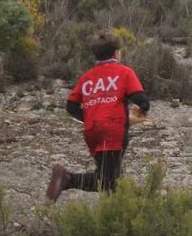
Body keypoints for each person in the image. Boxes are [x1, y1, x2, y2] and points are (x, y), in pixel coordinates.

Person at [46, 28, 149, 200]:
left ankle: (117, 210)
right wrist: (142, 109)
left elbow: (71, 106)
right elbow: (141, 99)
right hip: (113, 131)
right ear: (117, 53)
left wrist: (91, 116)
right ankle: (68, 179)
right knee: (108, 182)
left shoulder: (87, 77)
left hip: (92, 131)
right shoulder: (124, 72)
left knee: (109, 174)